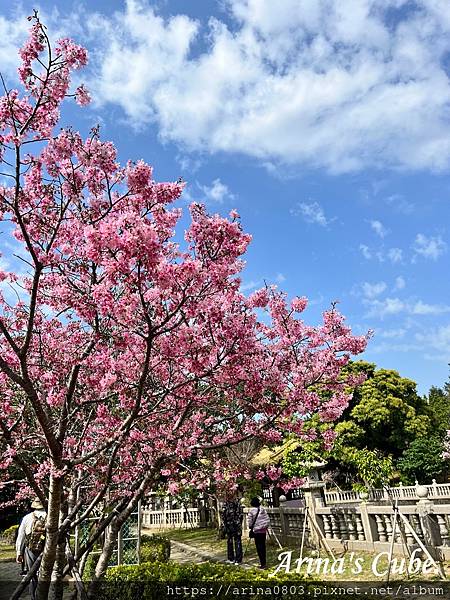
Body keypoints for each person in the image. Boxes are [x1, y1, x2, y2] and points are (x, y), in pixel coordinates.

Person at [16, 498, 47, 600]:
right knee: (46, 574)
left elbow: (21, 536)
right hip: (47, 550)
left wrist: (19, 553)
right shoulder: (50, 516)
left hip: (31, 550)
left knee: (32, 575)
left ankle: (34, 597)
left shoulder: (27, 518)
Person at [221, 491, 243, 564]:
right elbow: (223, 515)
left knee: (237, 541)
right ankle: (231, 558)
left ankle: (238, 559)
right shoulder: (226, 504)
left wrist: (238, 523)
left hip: (235, 525)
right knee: (230, 541)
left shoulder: (237, 504)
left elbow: (240, 515)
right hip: (229, 525)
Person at [247, 496, 270, 569]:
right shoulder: (263, 509)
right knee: (263, 547)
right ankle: (264, 563)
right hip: (263, 531)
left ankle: (262, 564)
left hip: (256, 531)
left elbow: (250, 522)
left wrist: (251, 527)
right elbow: (267, 520)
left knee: (259, 547)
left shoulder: (251, 511)